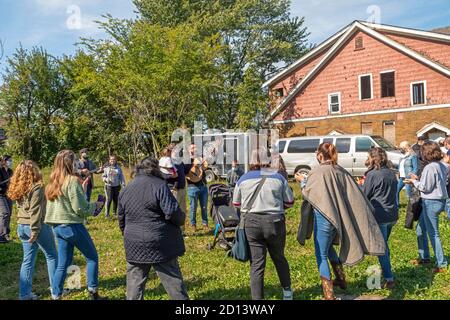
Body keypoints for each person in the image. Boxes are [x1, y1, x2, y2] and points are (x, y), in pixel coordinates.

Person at [296, 142, 386, 300]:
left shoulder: (317, 172)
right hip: (337, 216)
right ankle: (341, 279)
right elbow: (353, 193)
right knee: (329, 246)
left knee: (321, 254)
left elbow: (309, 193)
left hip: (323, 217)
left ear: (319, 155)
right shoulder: (340, 170)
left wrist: (302, 182)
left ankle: (328, 295)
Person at [118, 157, 188, 300]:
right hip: (160, 242)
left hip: (134, 242)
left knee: (134, 286)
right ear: (156, 169)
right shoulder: (160, 185)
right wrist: (181, 218)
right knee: (173, 282)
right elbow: (173, 213)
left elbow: (121, 219)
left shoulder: (126, 189)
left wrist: (128, 235)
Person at [232, 147, 294, 300]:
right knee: (279, 257)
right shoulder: (279, 177)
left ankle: (257, 300)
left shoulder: (243, 179)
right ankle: (287, 292)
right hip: (275, 222)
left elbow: (236, 203)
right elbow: (290, 201)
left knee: (257, 263)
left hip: (251, 223)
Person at [44, 150, 106, 300]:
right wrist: (96, 206)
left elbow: (65, 203)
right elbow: (79, 208)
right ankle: (93, 292)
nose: (77, 164)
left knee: (62, 264)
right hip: (72, 226)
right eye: (75, 162)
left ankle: (56, 295)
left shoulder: (53, 181)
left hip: (58, 227)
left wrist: (82, 190)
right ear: (70, 163)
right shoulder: (71, 180)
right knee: (92, 258)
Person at [7, 160, 57, 300]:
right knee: (52, 255)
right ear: (34, 171)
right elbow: (35, 210)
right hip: (34, 226)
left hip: (21, 226)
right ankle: (56, 290)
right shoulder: (37, 187)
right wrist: (35, 230)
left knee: (27, 260)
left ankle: (24, 294)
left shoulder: (18, 187)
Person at [407, 141, 449, 272]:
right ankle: (424, 257)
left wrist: (414, 181)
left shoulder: (430, 167)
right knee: (420, 229)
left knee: (434, 234)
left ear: (426, 153)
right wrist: (418, 179)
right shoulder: (442, 165)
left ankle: (441, 264)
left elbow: (425, 187)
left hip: (431, 202)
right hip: (440, 199)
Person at [363, 148, 398, 289]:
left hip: (380, 215)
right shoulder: (391, 173)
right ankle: (386, 272)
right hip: (392, 214)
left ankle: (389, 279)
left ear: (373, 158)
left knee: (381, 249)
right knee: (385, 247)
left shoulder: (372, 174)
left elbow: (365, 194)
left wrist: (361, 185)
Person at [186, 143, 209, 232]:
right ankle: (193, 225)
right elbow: (184, 171)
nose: (194, 149)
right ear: (189, 150)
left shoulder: (200, 157)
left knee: (204, 207)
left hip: (203, 185)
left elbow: (205, 167)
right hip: (192, 187)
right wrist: (193, 165)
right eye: (192, 148)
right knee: (193, 207)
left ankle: (205, 224)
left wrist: (203, 163)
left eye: (195, 148)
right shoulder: (186, 160)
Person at [0, 155, 13, 243]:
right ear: (4, 161)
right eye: (9, 160)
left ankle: (6, 234)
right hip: (1, 194)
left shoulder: (10, 171)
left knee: (9, 214)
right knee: (5, 213)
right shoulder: (0, 171)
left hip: (9, 194)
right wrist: (8, 180)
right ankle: (1, 235)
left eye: (11, 160)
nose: (11, 162)